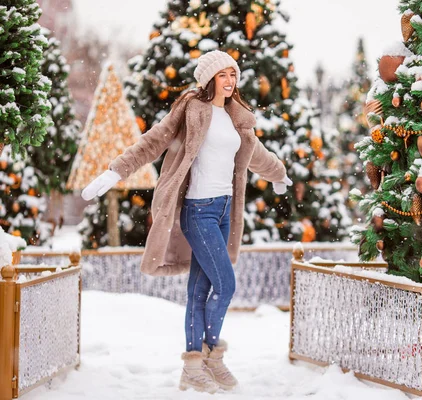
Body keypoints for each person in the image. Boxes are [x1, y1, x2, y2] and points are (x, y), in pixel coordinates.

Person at [81, 50, 292, 393]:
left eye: (232, 74)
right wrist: (114, 171)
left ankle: (193, 367)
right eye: (222, 75)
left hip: (225, 210)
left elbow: (256, 155)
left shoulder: (237, 117)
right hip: (199, 210)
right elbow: (152, 142)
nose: (229, 80)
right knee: (226, 285)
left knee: (200, 289)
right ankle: (211, 359)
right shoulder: (191, 109)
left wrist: (279, 174)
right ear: (208, 78)